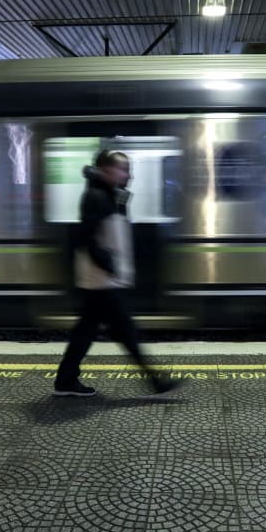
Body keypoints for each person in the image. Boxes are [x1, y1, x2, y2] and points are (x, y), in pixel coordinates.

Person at [54, 149, 183, 398]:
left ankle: (66, 380)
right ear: (106, 169)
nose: (127, 174)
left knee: (87, 330)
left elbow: (116, 228)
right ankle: (156, 383)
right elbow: (88, 237)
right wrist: (109, 265)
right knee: (126, 333)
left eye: (128, 169)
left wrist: (123, 201)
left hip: (102, 278)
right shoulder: (96, 196)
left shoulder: (106, 195)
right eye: (122, 169)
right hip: (102, 279)